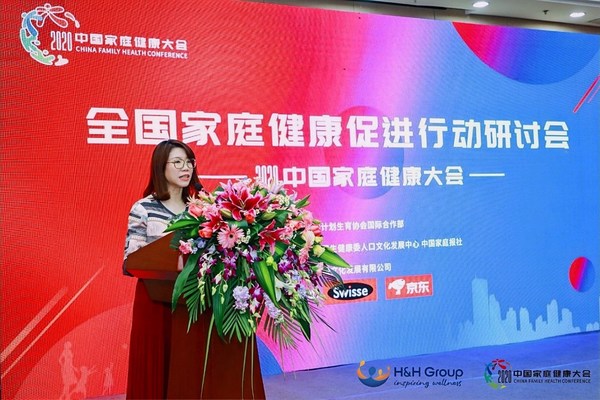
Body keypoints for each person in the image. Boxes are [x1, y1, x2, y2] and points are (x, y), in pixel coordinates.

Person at [123, 139, 200, 399]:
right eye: (177, 162)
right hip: (154, 300)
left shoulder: (199, 210)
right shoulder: (143, 208)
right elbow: (131, 261)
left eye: (188, 162)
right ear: (161, 167)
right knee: (155, 369)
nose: (185, 167)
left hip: (190, 299)